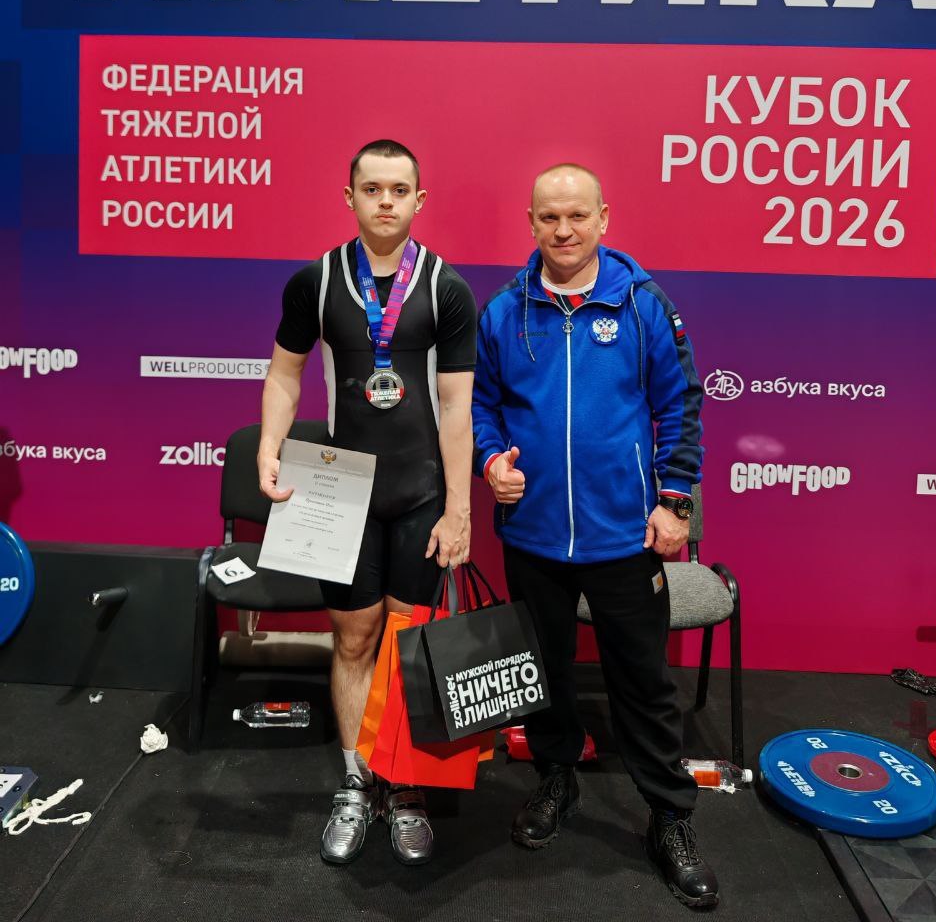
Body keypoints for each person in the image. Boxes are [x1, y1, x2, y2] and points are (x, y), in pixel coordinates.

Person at [472, 163, 719, 909]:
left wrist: (674, 502)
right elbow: (481, 405)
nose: (564, 230)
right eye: (549, 217)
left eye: (578, 215)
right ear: (531, 222)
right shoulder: (504, 312)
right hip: (534, 535)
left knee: (643, 683)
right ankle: (556, 780)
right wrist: (491, 461)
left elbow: (681, 405)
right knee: (542, 673)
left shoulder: (643, 303)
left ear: (604, 218)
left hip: (625, 536)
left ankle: (669, 816)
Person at [258, 139, 477, 867]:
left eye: (399, 189)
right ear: (348, 197)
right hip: (340, 490)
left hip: (420, 493)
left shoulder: (446, 288)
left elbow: (457, 406)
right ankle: (357, 783)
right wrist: (269, 447)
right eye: (373, 188)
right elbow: (284, 375)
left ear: (420, 200)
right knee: (353, 641)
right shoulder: (315, 282)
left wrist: (458, 508)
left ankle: (406, 787)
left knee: (408, 646)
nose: (386, 201)